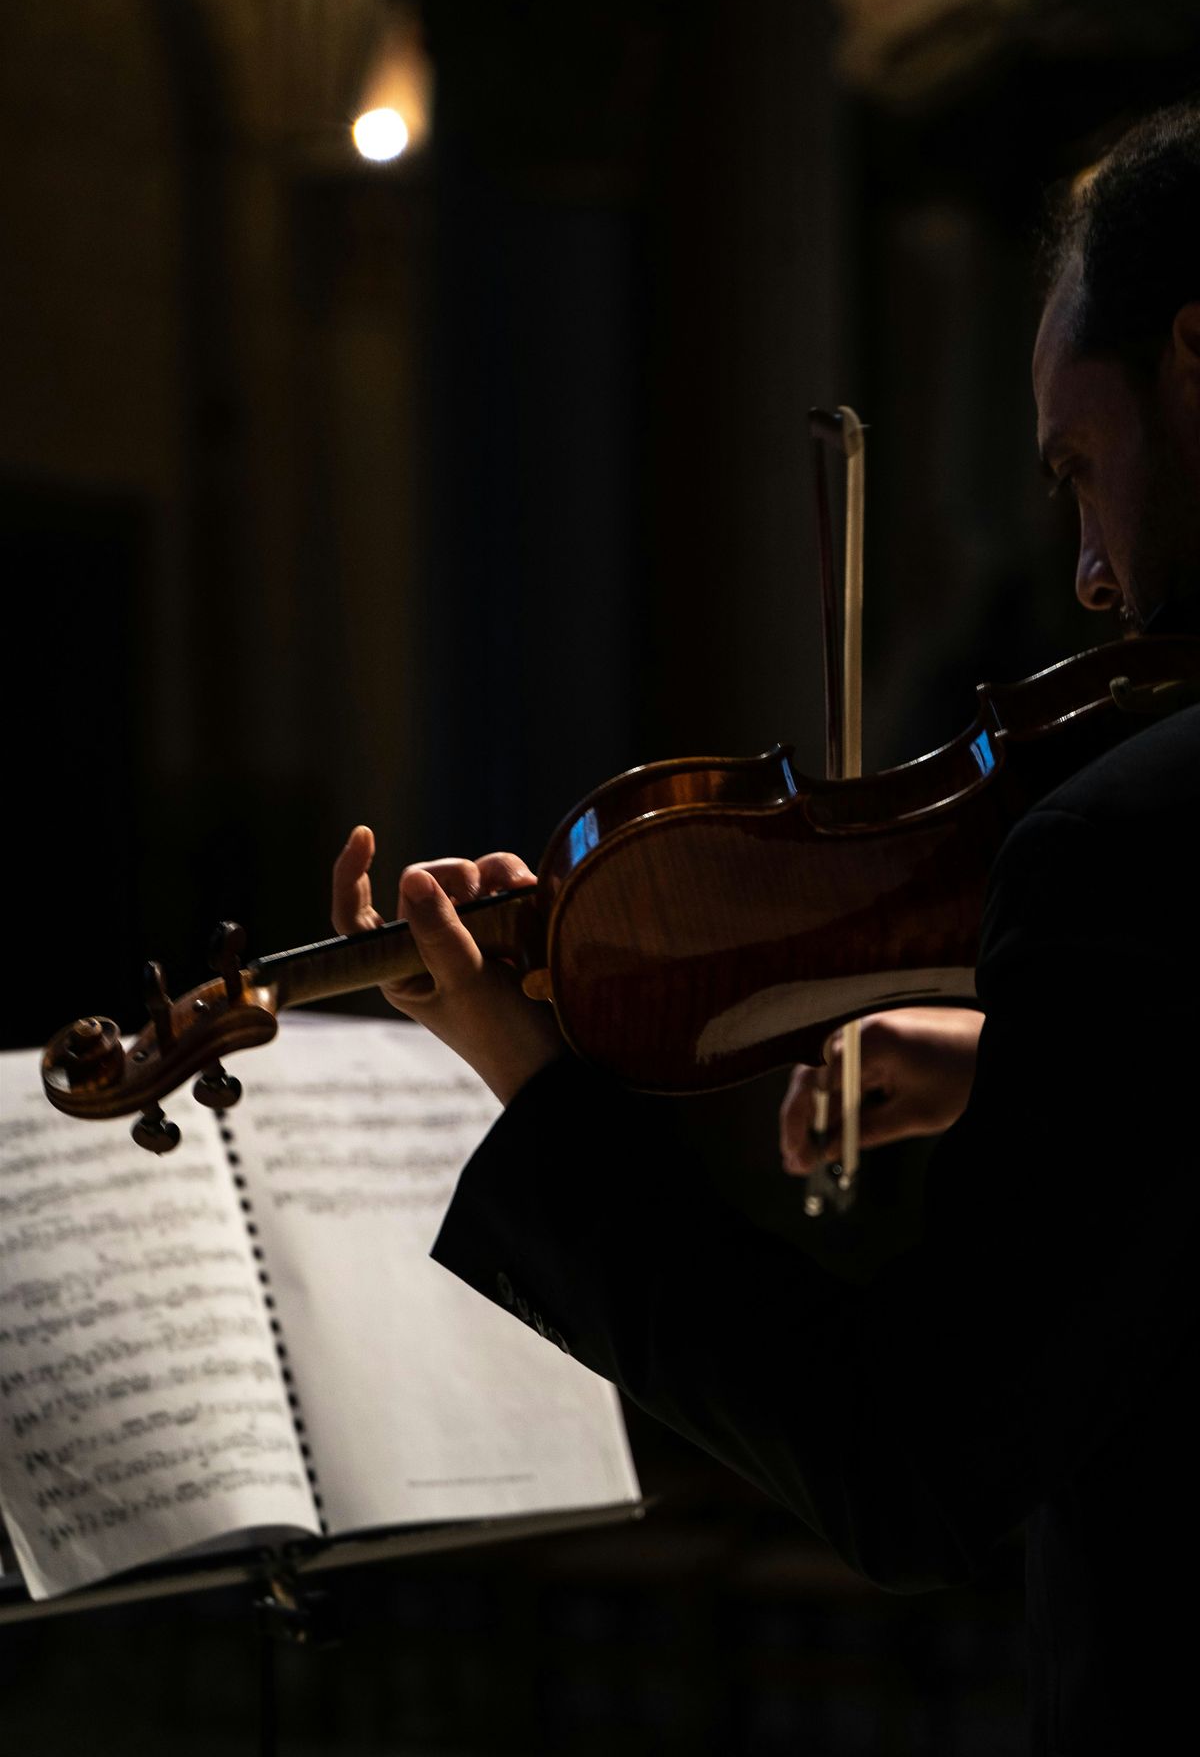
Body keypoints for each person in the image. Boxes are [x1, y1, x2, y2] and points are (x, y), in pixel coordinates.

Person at [332, 100, 1199, 1755]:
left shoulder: (1129, 849)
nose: (1090, 576)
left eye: (1079, 467)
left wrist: (543, 1098)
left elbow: (913, 1468)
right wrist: (1028, 1057)